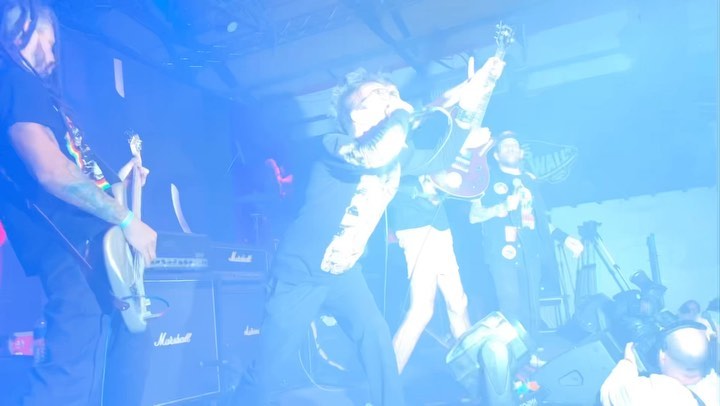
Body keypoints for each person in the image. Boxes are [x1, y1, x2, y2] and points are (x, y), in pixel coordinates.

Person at [0, 1, 157, 404]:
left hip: (90, 247)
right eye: (46, 42)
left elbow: (73, 168)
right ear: (19, 36)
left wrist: (121, 181)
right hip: (72, 248)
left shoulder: (37, 93)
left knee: (111, 361)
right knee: (69, 374)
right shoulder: (15, 80)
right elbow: (50, 170)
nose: (53, 56)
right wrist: (127, 220)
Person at [388, 55, 505, 374]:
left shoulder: (425, 122)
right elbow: (421, 173)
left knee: (458, 302)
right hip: (415, 224)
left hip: (437, 223)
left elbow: (442, 106)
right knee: (422, 310)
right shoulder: (393, 140)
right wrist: (466, 142)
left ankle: (475, 376)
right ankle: (386, 384)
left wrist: (479, 83)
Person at [468, 131, 583, 337]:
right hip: (502, 253)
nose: (511, 147)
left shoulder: (530, 182)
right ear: (496, 155)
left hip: (530, 253)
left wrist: (564, 238)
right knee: (510, 305)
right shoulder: (486, 179)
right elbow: (474, 216)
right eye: (505, 145)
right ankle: (513, 353)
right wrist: (502, 207)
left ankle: (532, 350)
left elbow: (539, 221)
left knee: (532, 308)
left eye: (514, 145)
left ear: (521, 153)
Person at [600, 321, 720, 406]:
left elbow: (609, 393)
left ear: (662, 354)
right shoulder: (714, 384)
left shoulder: (655, 392)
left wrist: (628, 361)